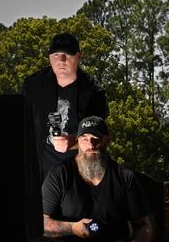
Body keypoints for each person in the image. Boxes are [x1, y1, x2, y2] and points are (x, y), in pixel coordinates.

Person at [41, 116, 154, 242]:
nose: (91, 144)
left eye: (96, 138)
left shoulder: (125, 177)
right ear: (77, 141)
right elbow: (41, 223)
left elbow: (143, 225)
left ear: (107, 140)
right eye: (85, 139)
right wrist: (72, 228)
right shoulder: (59, 174)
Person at [22, 33, 108, 181]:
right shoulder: (32, 86)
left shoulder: (94, 93)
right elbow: (20, 127)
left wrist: (73, 142)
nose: (61, 60)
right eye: (56, 55)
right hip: (39, 175)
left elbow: (103, 138)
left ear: (79, 56)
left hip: (79, 175)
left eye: (67, 55)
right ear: (49, 56)